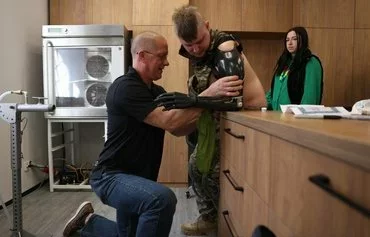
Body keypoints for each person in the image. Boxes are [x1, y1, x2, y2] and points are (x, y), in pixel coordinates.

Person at [62, 31, 244, 237]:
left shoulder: (156, 92)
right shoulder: (125, 87)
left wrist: (209, 110)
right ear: (142, 55)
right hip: (111, 177)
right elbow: (168, 120)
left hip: (136, 179)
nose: (166, 63)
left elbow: (177, 128)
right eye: (162, 56)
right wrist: (208, 95)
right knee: (161, 200)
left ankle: (87, 223)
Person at [159, 5, 266, 236]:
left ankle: (227, 224)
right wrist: (196, 100)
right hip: (222, 118)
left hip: (246, 116)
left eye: (199, 40)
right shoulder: (199, 49)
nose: (196, 49)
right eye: (189, 45)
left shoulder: (226, 48)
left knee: (216, 175)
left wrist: (192, 100)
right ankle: (210, 219)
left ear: (207, 26)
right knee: (197, 168)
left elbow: (234, 100)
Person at [266, 26, 323, 111]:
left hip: (296, 119)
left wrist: (301, 116)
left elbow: (309, 96)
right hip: (276, 116)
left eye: (294, 39)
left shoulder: (310, 62)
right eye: (287, 40)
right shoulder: (285, 63)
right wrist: (262, 103)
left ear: (302, 40)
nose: (290, 43)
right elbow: (273, 91)